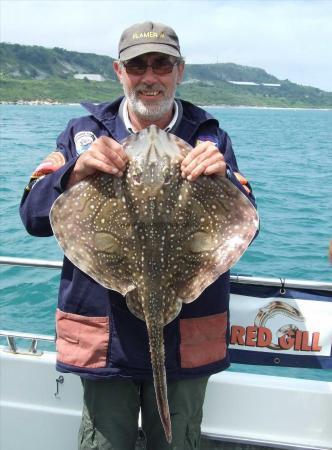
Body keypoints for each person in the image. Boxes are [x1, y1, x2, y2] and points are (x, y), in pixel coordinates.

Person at [20, 21, 257, 450]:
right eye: (137, 65)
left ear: (179, 71)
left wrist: (226, 181)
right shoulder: (81, 134)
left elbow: (246, 226)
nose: (149, 77)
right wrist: (75, 171)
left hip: (187, 340)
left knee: (178, 440)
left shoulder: (210, 136)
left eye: (161, 64)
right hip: (104, 336)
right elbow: (33, 217)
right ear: (119, 71)